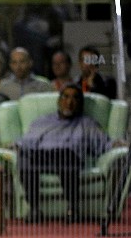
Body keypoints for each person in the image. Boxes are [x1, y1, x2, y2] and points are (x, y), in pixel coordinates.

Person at [14, 84, 122, 222]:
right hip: (41, 157)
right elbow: (26, 142)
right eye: (66, 97)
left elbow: (102, 144)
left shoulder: (87, 123)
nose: (70, 102)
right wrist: (15, 146)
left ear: (80, 103)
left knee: (66, 154)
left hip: (67, 158)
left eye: (75, 98)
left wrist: (115, 144)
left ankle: (73, 209)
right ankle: (34, 209)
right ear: (59, 101)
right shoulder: (43, 121)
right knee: (23, 157)